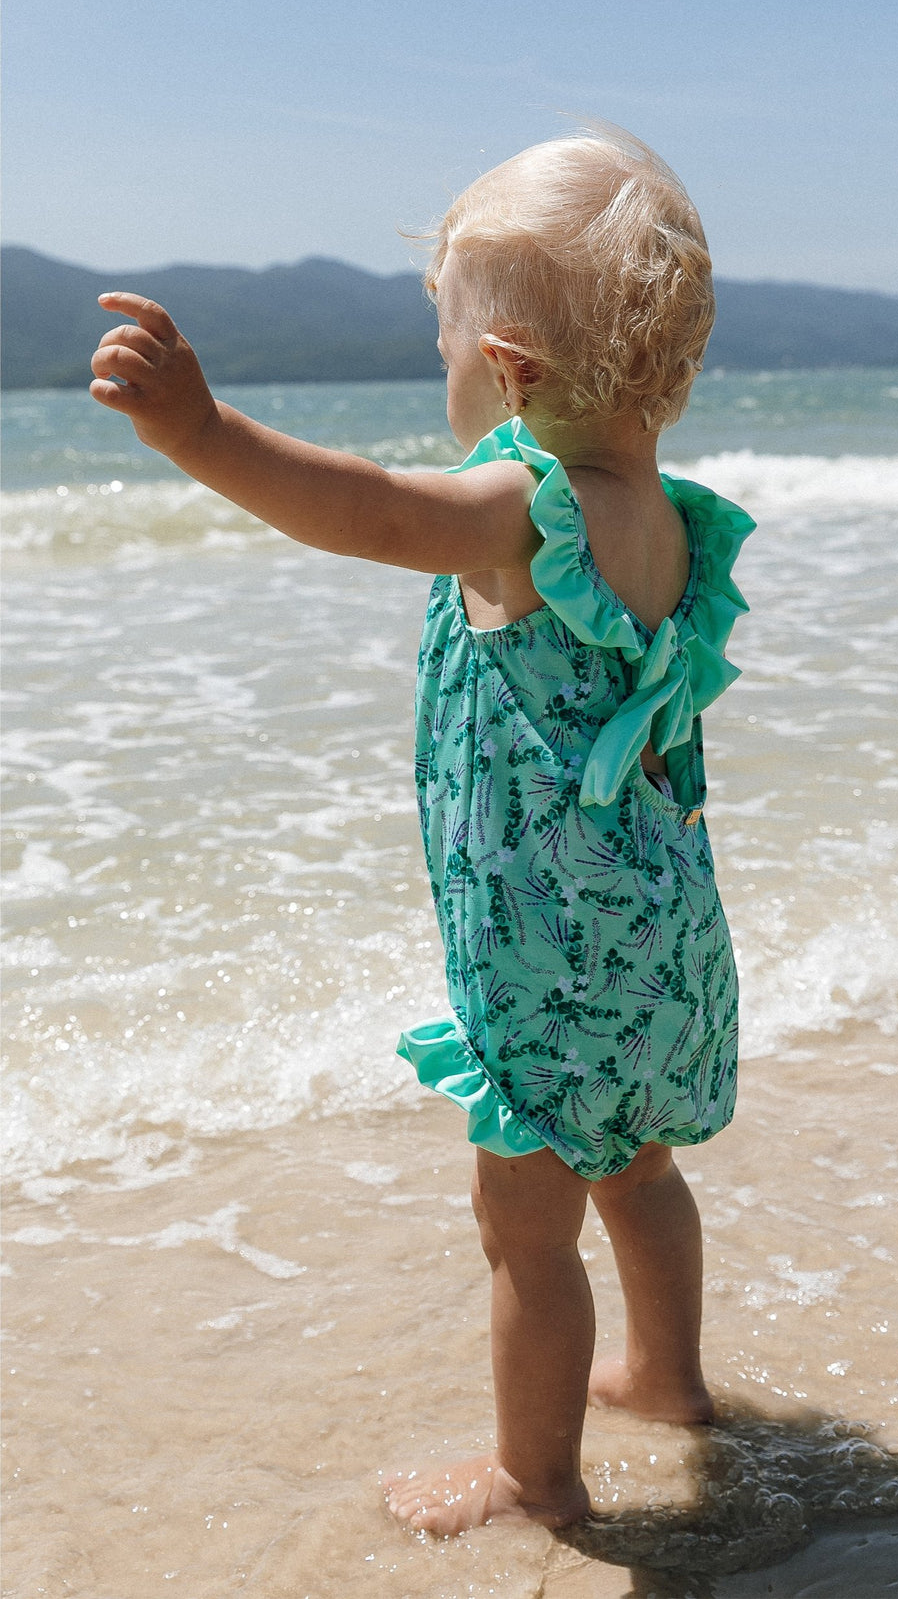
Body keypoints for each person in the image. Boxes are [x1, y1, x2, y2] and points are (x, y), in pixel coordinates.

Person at [89, 128, 754, 1537]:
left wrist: (203, 435)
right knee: (637, 1170)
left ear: (507, 371)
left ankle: (537, 1477)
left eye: (443, 348)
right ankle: (675, 1376)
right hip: (660, 937)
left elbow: (372, 514)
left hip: (550, 950)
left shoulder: (523, 506)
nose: (439, 377)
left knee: (525, 1223)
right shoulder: (671, 522)